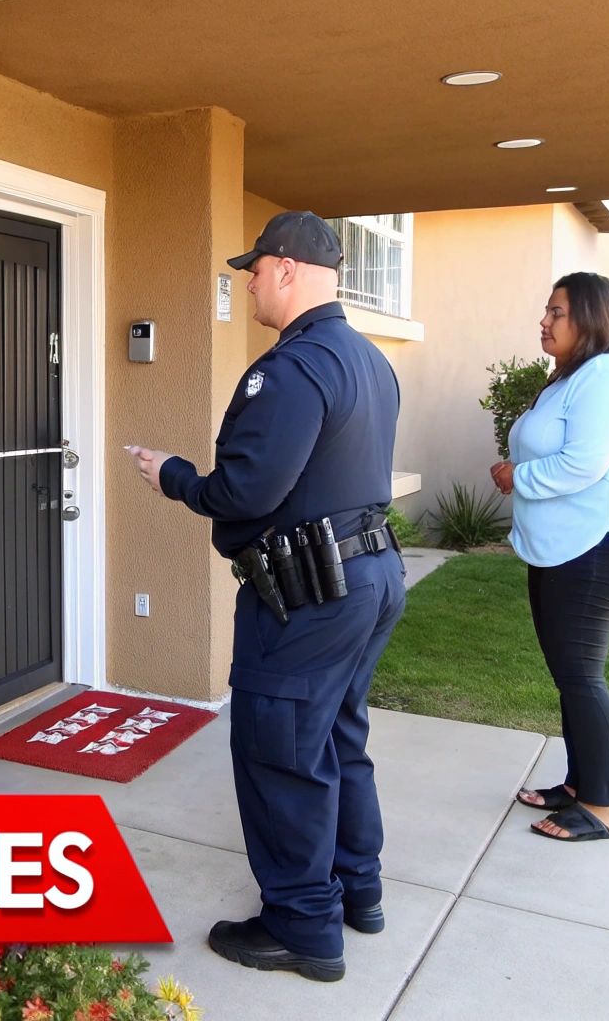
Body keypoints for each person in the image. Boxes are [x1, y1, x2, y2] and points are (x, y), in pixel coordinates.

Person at [124, 211, 405, 982]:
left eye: (255, 267)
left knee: (281, 751)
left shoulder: (288, 369)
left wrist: (173, 476)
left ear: (286, 269)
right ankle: (359, 890)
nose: (248, 280)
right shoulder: (369, 361)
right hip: (365, 577)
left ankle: (302, 927)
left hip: (308, 596)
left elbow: (247, 490)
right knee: (338, 737)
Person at [490, 271, 609, 843]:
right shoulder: (572, 378)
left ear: (591, 317)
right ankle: (581, 785)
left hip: (598, 545)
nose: (544, 320)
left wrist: (519, 475)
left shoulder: (607, 376)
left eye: (557, 312)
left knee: (581, 676)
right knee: (570, 674)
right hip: (565, 545)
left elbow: (586, 463)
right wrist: (520, 472)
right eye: (547, 310)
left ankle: (606, 808)